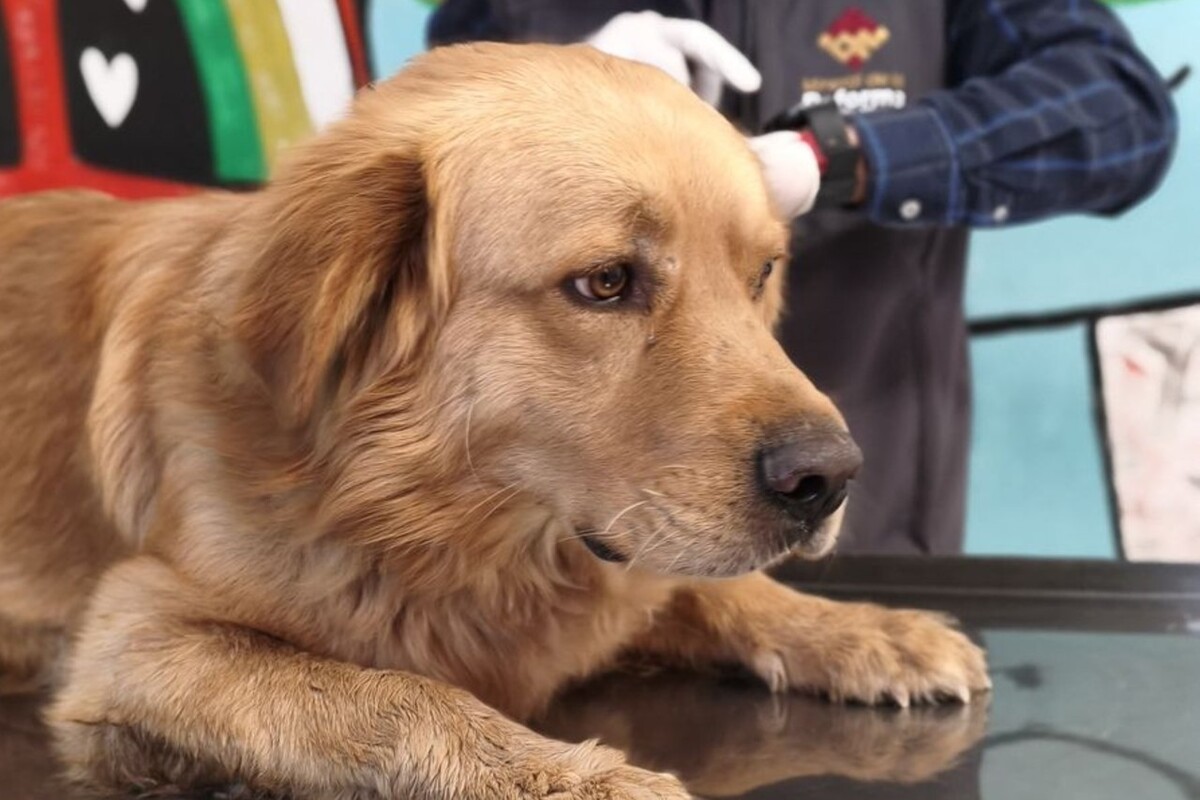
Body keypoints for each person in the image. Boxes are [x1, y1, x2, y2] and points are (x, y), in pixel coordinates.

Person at [427, 0, 1178, 555]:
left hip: (865, 509)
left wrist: (839, 158)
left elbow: (1121, 116)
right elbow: (424, 172)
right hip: (571, 546)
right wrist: (566, 70)